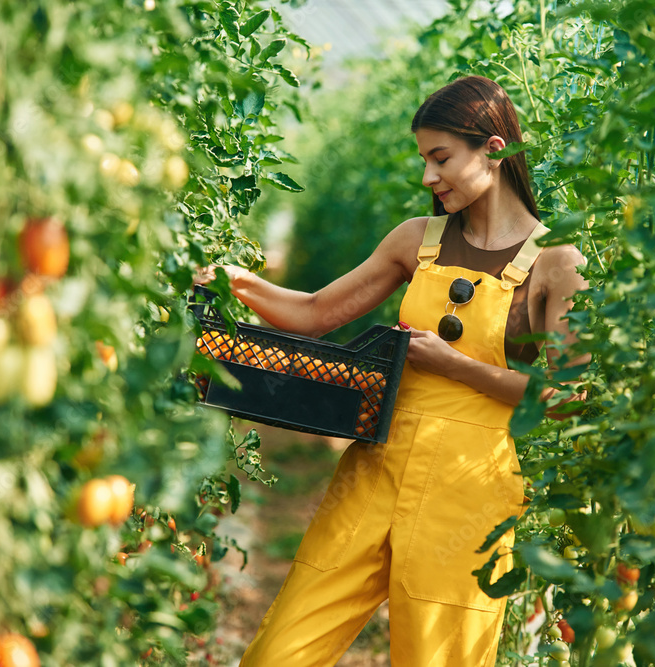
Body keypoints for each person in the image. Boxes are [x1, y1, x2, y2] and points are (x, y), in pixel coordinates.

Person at [194, 75, 588, 666]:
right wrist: (236, 281)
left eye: (441, 158)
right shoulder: (416, 241)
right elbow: (316, 313)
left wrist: (454, 365)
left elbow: (567, 397)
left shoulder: (557, 264)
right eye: (425, 160)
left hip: (470, 489)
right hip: (376, 465)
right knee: (281, 650)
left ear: (495, 149)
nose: (428, 177)